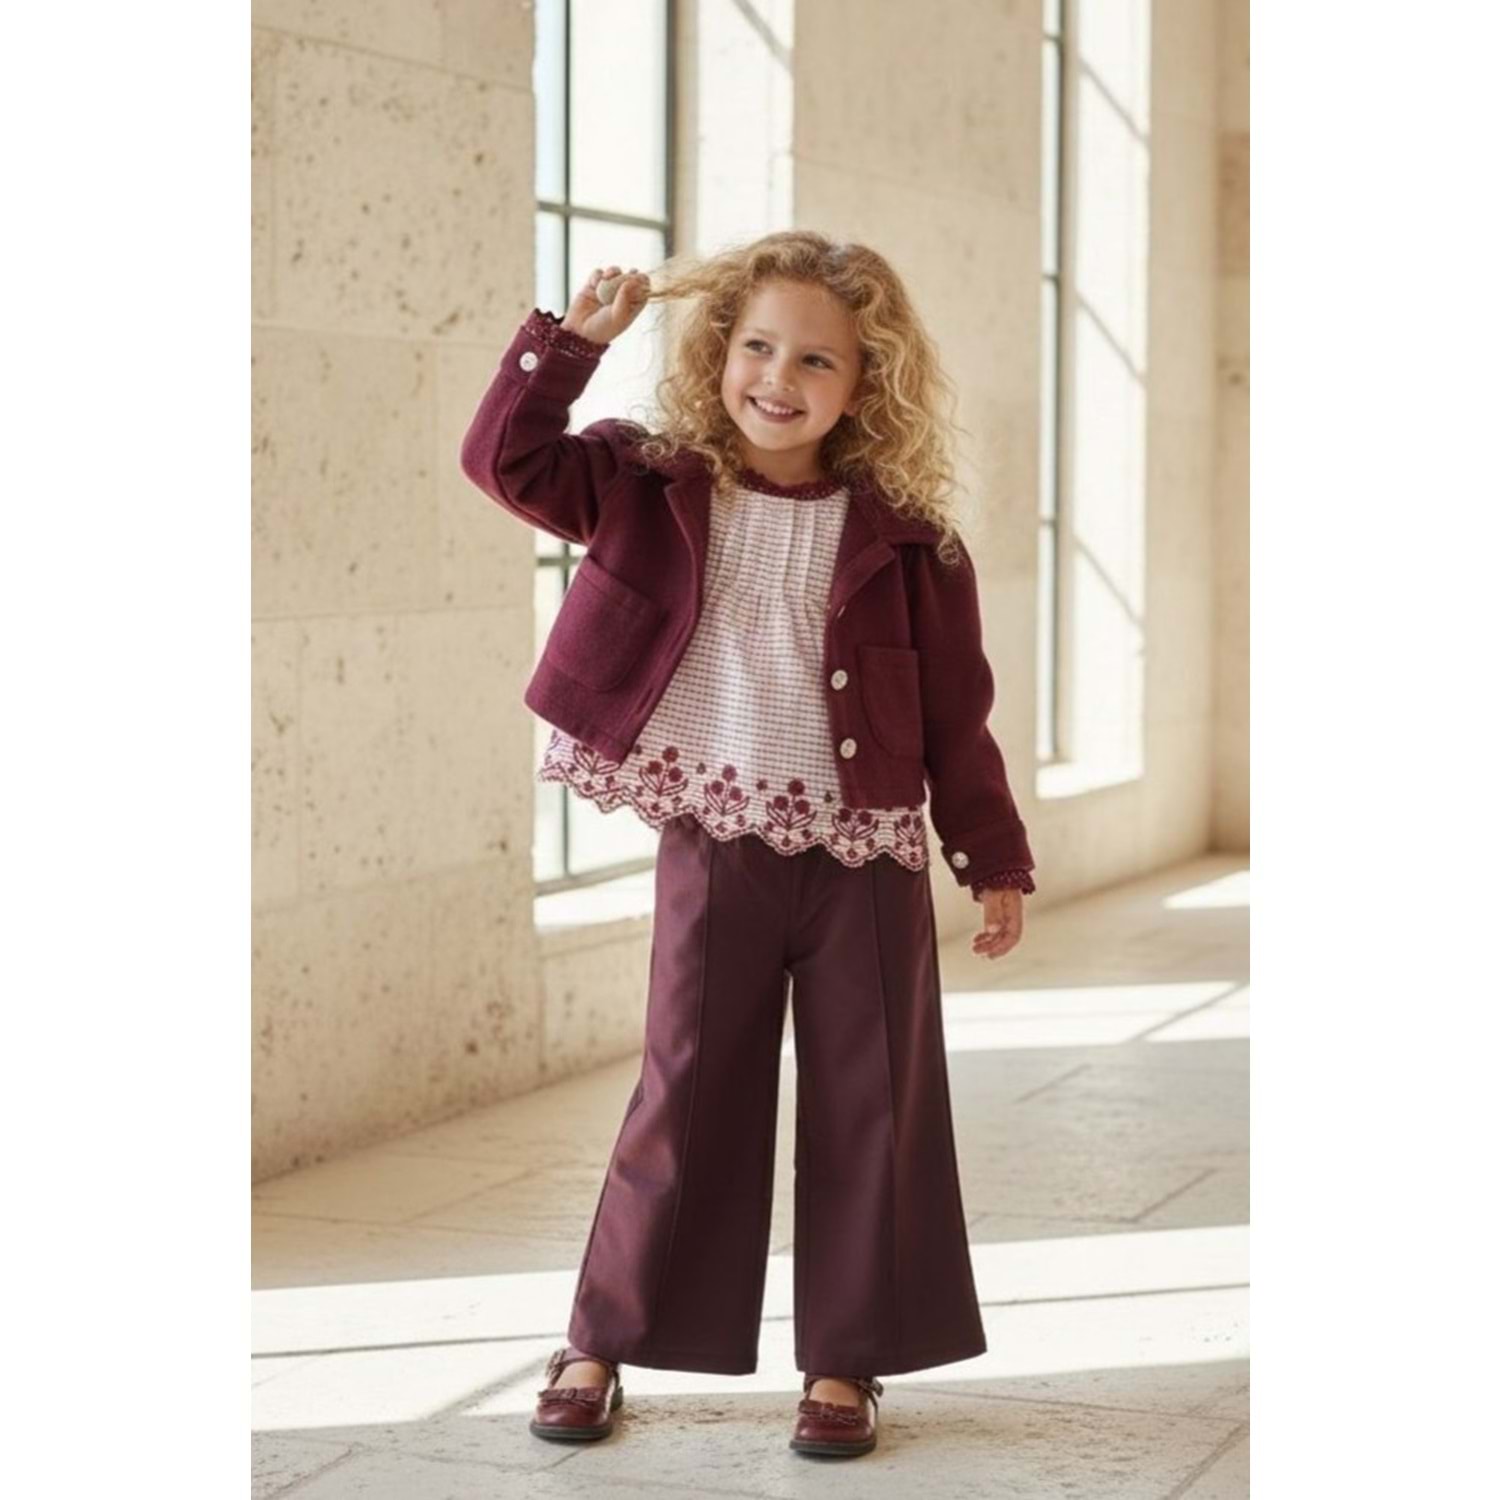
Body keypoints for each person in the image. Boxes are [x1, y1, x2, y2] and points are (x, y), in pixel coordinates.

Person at [458, 230, 1036, 1458]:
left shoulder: (911, 540)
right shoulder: (646, 482)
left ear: (866, 382)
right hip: (716, 838)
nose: (779, 378)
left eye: (817, 360)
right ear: (719, 351)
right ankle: (600, 1339)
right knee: (685, 1090)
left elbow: (957, 715)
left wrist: (990, 855)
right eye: (758, 347)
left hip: (867, 858)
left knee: (875, 1101)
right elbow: (505, 460)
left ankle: (847, 1360)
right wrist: (570, 348)